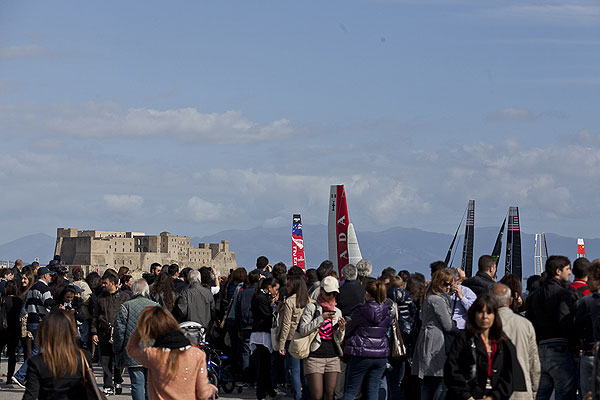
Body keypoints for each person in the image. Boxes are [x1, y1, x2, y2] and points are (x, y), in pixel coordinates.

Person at [444, 294, 525, 400]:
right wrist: (467, 396)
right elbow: (451, 369)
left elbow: (510, 374)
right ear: (474, 314)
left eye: (489, 312)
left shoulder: (503, 342)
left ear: (495, 316)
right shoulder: (464, 339)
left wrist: (493, 397)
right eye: (480, 312)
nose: (485, 316)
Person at [126, 306, 217, 400]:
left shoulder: (153, 355)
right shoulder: (197, 354)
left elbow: (131, 349)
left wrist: (139, 329)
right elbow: (203, 393)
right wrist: (211, 389)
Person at [525, 255, 577, 400]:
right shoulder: (564, 294)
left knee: (542, 392)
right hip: (560, 347)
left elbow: (530, 322)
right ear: (558, 271)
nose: (570, 272)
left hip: (541, 348)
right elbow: (565, 321)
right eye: (567, 269)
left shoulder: (534, 296)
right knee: (564, 392)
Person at [22, 309, 92, 400]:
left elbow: (30, 395)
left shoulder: (37, 362)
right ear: (70, 332)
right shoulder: (83, 357)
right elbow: (90, 389)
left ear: (44, 332)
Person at [412, 268, 459, 400]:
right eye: (446, 284)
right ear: (438, 283)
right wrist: (460, 331)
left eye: (450, 284)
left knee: (427, 381)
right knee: (440, 380)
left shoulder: (428, 296)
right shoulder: (438, 300)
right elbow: (447, 325)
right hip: (437, 340)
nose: (448, 287)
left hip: (427, 338)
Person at [298, 276, 345, 400]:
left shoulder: (337, 311)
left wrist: (341, 329)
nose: (331, 296)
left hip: (333, 356)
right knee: (317, 395)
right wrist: (321, 319)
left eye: (334, 294)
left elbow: (339, 340)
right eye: (329, 293)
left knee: (330, 394)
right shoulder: (311, 307)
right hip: (314, 355)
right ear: (322, 291)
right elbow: (303, 330)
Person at [342, 280, 391, 400]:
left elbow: (349, 330)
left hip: (361, 352)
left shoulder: (360, 310)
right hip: (380, 353)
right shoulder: (387, 311)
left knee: (350, 391)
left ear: (367, 293)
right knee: (373, 390)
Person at [491, 284, 541, 399]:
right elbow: (533, 360)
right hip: (522, 387)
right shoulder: (525, 324)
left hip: (494, 389)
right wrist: (534, 389)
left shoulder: (487, 324)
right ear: (510, 300)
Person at [113, 279, 159, 400]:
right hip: (152, 352)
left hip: (133, 351)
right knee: (150, 384)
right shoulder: (155, 306)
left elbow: (119, 331)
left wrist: (118, 350)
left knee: (137, 384)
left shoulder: (126, 307)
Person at [12, 266, 56, 387]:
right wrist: (57, 305)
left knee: (43, 350)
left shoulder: (32, 289)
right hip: (41, 321)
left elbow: (26, 307)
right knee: (39, 350)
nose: (51, 277)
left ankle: (37, 377)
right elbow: (48, 303)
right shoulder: (44, 288)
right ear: (45, 276)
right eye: (50, 275)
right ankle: (21, 375)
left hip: (32, 320)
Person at [91, 270, 131, 395]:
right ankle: (108, 385)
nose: (102, 285)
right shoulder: (100, 298)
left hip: (120, 333)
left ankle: (118, 380)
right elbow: (95, 317)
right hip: (104, 332)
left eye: (105, 283)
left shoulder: (125, 297)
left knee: (119, 359)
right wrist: (94, 332)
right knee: (105, 360)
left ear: (112, 283)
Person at [277, 275, 311, 400]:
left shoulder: (290, 301)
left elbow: (286, 325)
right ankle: (307, 395)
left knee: (295, 370)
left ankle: (298, 396)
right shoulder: (310, 301)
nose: (287, 288)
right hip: (306, 337)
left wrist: (281, 344)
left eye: (289, 285)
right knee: (306, 370)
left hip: (292, 338)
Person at [574, 259, 600, 397]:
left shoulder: (587, 302)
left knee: (587, 393)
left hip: (590, 351)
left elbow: (577, 327)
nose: (587, 282)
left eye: (590, 279)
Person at [250, 277, 280, 400]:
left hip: (261, 332)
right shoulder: (261, 298)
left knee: (265, 364)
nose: (276, 292)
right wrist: (275, 309)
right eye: (275, 289)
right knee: (263, 364)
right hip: (261, 332)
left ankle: (267, 389)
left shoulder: (261, 297)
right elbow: (267, 315)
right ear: (269, 287)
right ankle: (261, 392)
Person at [235, 269, 261, 387]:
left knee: (246, 353)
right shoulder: (259, 293)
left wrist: (239, 327)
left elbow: (238, 311)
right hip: (257, 326)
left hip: (245, 326)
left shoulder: (242, 293)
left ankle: (246, 380)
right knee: (256, 353)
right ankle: (255, 380)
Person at [0, 280, 23, 384]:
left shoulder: (3, 300)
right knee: (12, 354)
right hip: (15, 328)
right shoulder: (18, 300)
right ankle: (10, 377)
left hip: (3, 329)